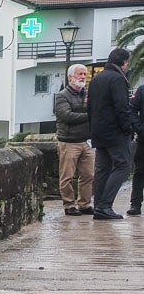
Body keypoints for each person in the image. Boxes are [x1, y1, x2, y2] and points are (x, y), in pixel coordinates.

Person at [88, 47, 134, 220]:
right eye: (127, 62)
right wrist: (128, 128)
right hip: (115, 132)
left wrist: (92, 130)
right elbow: (121, 107)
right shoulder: (117, 79)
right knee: (123, 166)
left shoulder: (96, 79)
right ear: (123, 62)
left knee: (102, 169)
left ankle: (99, 205)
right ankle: (105, 206)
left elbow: (90, 107)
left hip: (99, 132)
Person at [52, 64, 93, 215]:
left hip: (86, 140)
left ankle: (85, 204)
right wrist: (89, 116)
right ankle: (69, 205)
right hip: (68, 141)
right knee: (67, 176)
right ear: (70, 77)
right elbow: (66, 116)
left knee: (88, 174)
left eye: (84, 74)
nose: (83, 77)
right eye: (79, 74)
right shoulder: (62, 95)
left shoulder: (88, 94)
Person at [128, 80, 144, 216]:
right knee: (139, 173)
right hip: (143, 140)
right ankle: (135, 204)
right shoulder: (142, 90)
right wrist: (140, 129)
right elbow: (131, 110)